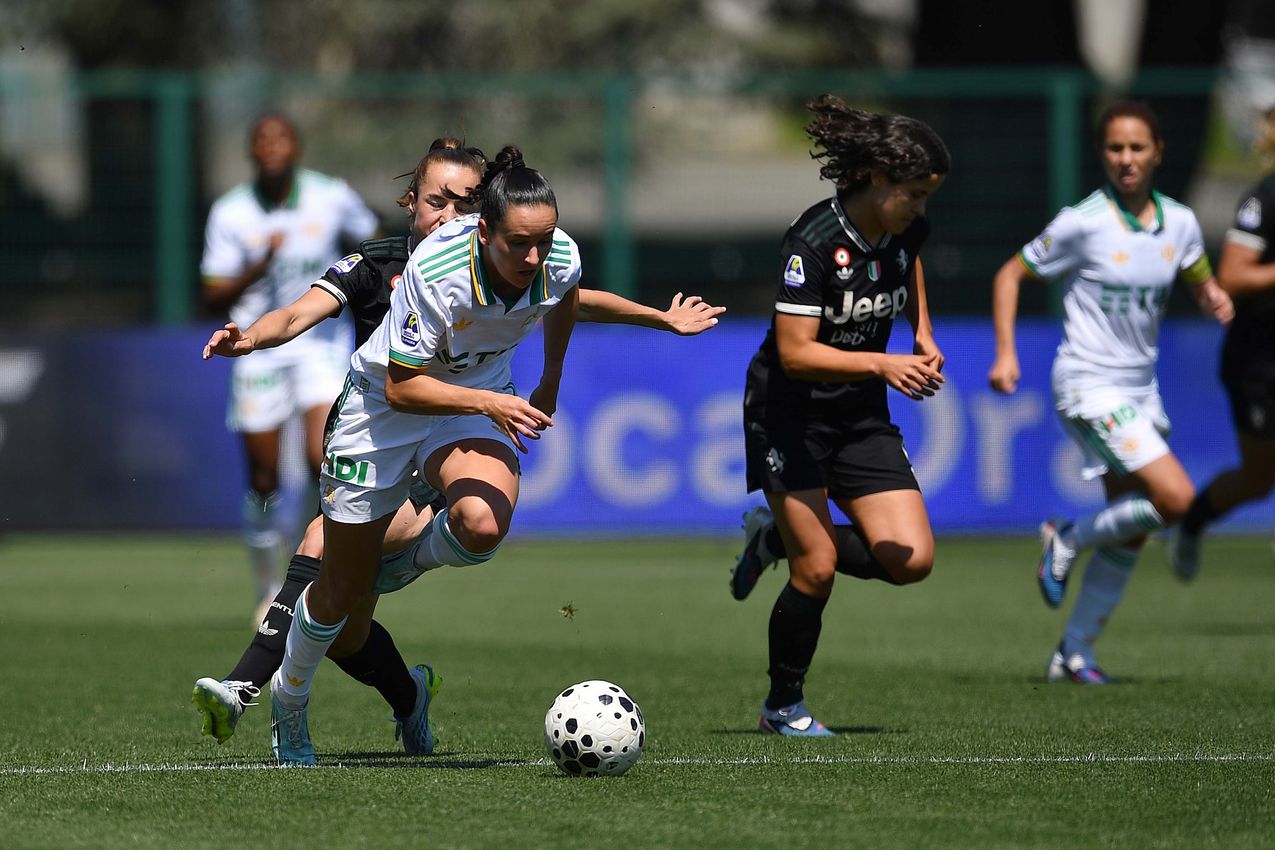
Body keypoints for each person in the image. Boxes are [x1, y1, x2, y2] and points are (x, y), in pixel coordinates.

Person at [193, 141, 724, 759]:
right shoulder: (428, 268)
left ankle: (404, 562)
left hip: (467, 397)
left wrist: (555, 374)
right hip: (382, 411)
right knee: (336, 596)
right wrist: (252, 337)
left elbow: (566, 295)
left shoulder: (554, 254)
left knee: (483, 523)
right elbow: (401, 384)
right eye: (517, 243)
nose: (533, 256)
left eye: (541, 242)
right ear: (481, 229)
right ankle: (288, 700)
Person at [987, 101, 1233, 684]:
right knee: (1175, 500)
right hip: (1088, 382)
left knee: (1135, 523)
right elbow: (1009, 274)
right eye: (1115, 148)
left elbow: (1200, 278)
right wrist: (1005, 352)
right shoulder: (1083, 222)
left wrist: (1217, 300)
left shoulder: (1180, 223)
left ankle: (1073, 655)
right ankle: (1065, 537)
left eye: (1137, 148)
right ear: (1102, 154)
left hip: (1141, 389)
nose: (1126, 159)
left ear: (1158, 153)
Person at [740, 95, 950, 736]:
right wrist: (886, 366)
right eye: (914, 193)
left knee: (911, 559)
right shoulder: (812, 240)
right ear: (878, 179)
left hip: (860, 415)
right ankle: (783, 707)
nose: (920, 208)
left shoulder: (905, 227)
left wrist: (923, 332)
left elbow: (906, 268)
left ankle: (776, 535)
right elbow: (798, 355)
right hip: (788, 413)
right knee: (819, 568)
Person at [201, 113, 380, 621]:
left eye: (281, 138)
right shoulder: (231, 212)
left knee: (320, 460)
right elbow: (212, 294)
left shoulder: (330, 195)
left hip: (319, 345)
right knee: (262, 479)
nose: (272, 147)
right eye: (262, 140)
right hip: (256, 347)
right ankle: (265, 585)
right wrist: (257, 265)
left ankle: (300, 580)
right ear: (251, 152)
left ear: (297, 148)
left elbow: (376, 245)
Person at [1170, 105, 1275, 579]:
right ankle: (1193, 521)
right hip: (1260, 359)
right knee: (1258, 478)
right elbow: (1231, 276)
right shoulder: (1266, 197)